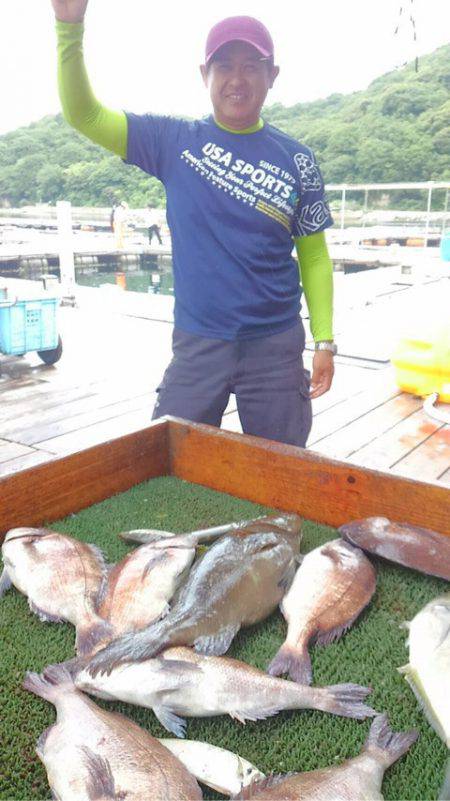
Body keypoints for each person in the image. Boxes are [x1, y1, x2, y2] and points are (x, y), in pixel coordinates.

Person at [50, 1, 336, 447]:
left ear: (272, 75)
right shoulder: (174, 142)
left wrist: (324, 341)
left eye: (251, 66)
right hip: (199, 342)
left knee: (284, 468)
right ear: (205, 74)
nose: (237, 79)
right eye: (224, 66)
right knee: (168, 459)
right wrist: (69, 27)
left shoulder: (297, 160)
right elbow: (83, 114)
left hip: (275, 346)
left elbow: (314, 256)